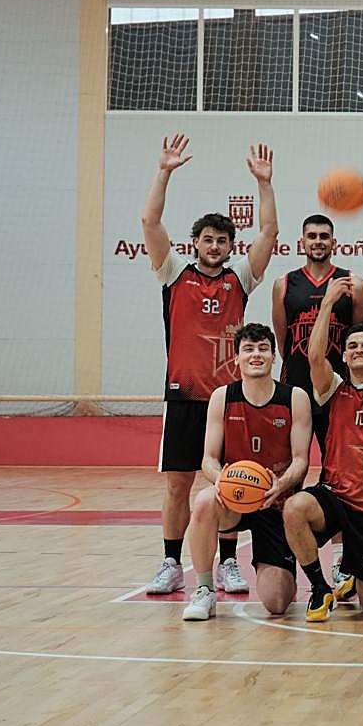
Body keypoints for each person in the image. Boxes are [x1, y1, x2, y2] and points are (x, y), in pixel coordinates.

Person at [141, 135, 279, 597]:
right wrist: (165, 171)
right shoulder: (173, 273)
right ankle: (170, 562)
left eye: (222, 240)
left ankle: (226, 564)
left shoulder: (240, 279)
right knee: (179, 485)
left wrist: (264, 184)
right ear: (195, 243)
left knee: (232, 485)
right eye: (208, 239)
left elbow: (269, 236)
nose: (215, 245)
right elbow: (150, 219)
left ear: (228, 245)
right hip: (182, 396)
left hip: (228, 399)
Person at [281, 269, 363, 621]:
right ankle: (320, 587)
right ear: (347, 356)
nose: (360, 350)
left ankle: (354, 574)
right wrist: (326, 306)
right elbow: (315, 357)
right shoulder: (332, 389)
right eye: (353, 346)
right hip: (335, 496)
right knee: (294, 509)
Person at [180, 324, 312, 621]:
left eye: (263, 349)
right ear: (236, 358)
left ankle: (274, 568)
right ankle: (204, 590)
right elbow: (209, 460)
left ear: (274, 357)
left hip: (275, 502)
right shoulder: (222, 397)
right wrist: (221, 481)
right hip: (234, 499)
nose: (256, 355)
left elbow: (302, 460)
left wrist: (283, 483)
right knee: (203, 500)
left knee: (278, 602)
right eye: (248, 349)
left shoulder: (295, 397)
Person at [272, 213, 363, 594]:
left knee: (339, 474)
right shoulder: (284, 284)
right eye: (311, 235)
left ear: (334, 242)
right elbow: (282, 338)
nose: (317, 241)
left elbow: (358, 333)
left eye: (324, 236)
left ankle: (343, 561)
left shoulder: (351, 284)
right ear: (302, 241)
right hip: (295, 389)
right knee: (290, 470)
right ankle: (288, 552)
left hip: (335, 391)